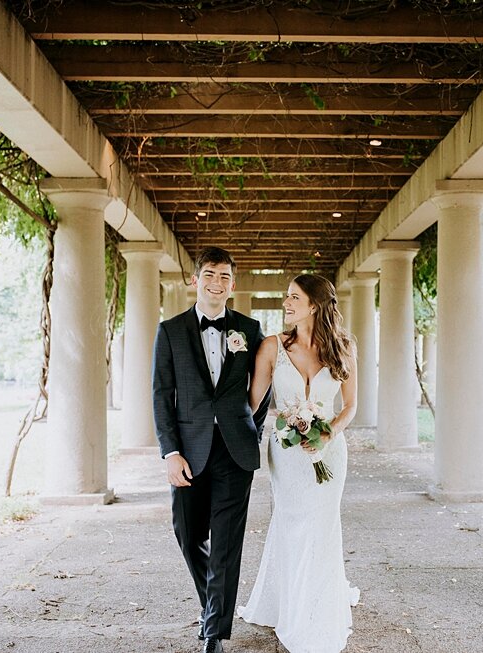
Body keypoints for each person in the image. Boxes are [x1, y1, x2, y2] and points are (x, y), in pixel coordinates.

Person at [152, 246, 270, 653]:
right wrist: (170, 452)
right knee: (188, 534)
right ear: (195, 279)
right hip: (188, 451)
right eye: (209, 275)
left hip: (235, 452)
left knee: (226, 543)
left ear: (232, 284)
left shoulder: (250, 330)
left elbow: (263, 387)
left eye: (224, 277)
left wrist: (252, 432)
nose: (216, 283)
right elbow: (160, 394)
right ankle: (214, 608)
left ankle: (214, 633)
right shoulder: (170, 331)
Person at [238, 273, 360, 653]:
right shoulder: (272, 347)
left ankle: (318, 608)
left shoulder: (344, 346)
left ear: (315, 305)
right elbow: (252, 403)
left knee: (322, 527)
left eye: (294, 297)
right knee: (292, 524)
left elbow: (351, 406)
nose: (286, 303)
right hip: (287, 456)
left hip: (331, 455)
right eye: (286, 297)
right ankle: (290, 605)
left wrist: (328, 433)